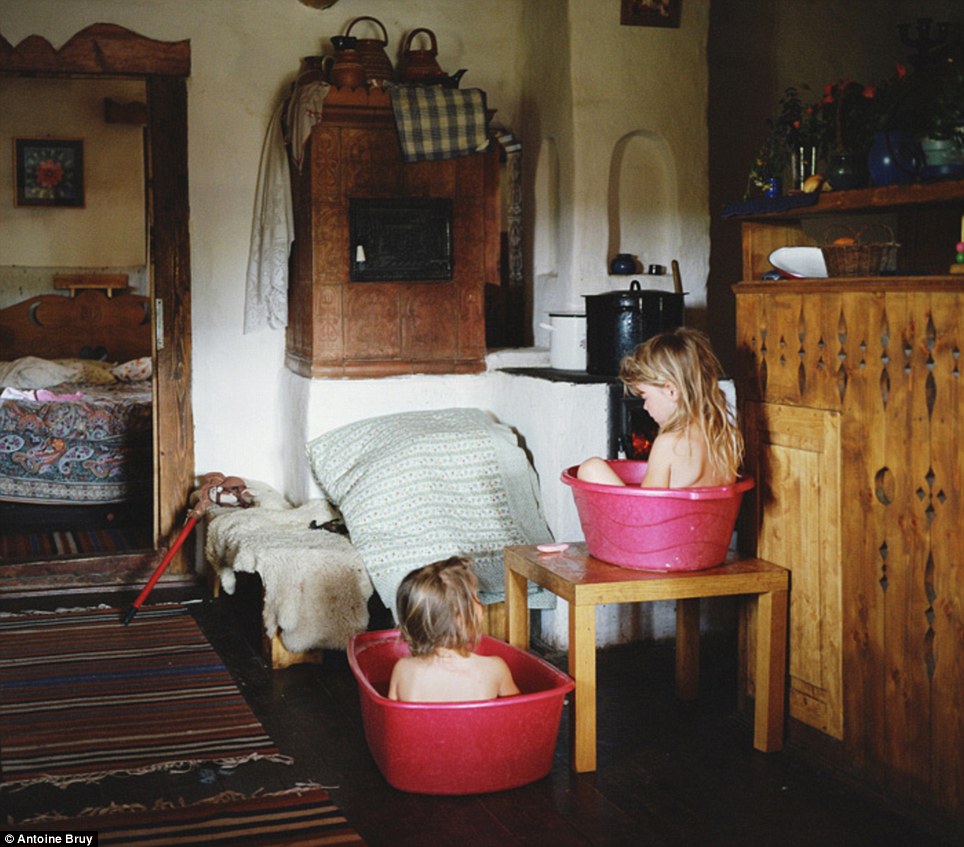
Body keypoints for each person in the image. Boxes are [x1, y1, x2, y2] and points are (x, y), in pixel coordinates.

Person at [577, 327, 743, 489]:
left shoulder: (668, 445)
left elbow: (651, 505)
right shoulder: (725, 439)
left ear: (671, 391)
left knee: (591, 468)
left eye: (645, 396)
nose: (645, 406)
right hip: (712, 510)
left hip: (664, 510)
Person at [388, 556, 520, 702]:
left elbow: (392, 713)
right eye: (476, 596)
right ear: (460, 617)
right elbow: (522, 711)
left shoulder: (403, 669)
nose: (480, 602)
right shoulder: (495, 669)